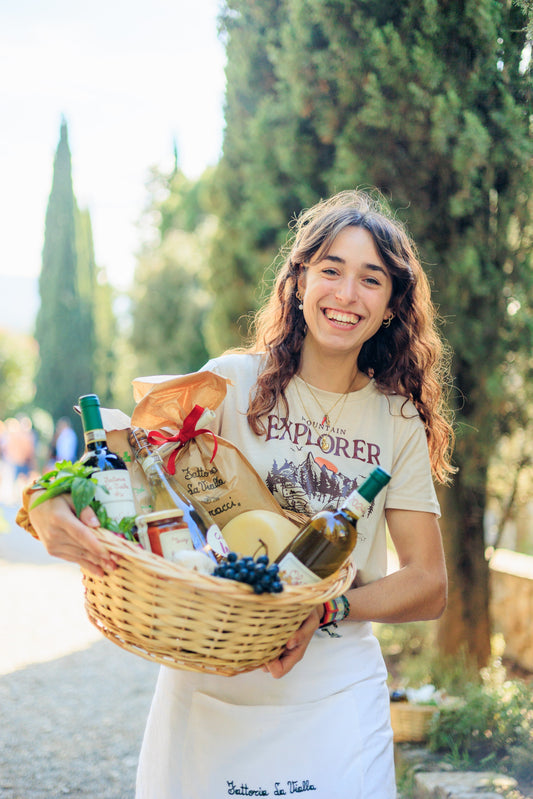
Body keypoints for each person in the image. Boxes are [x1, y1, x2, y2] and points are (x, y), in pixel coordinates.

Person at [25, 190, 452, 798]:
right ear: (300, 280)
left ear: (391, 307)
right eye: (330, 270)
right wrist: (46, 502)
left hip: (333, 691)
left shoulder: (399, 420)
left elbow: (428, 582)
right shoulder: (230, 382)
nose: (346, 294)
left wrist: (325, 610)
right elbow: (124, 460)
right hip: (212, 676)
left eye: (371, 279)